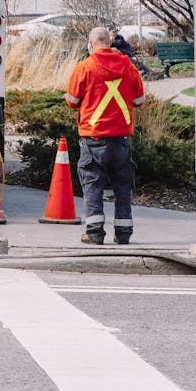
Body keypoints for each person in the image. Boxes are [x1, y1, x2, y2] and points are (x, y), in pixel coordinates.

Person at [65, 26, 145, 245]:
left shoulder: (84, 67)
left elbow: (72, 101)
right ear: (109, 44)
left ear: (91, 45)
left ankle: (94, 233)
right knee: (122, 185)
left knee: (93, 185)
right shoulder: (128, 66)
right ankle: (124, 233)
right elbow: (139, 101)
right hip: (121, 138)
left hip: (94, 138)